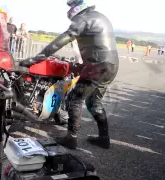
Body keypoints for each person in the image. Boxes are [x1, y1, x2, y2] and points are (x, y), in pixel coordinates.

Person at [19, 0, 119, 149]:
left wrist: (36, 58)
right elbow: (95, 44)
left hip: (97, 65)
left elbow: (61, 40)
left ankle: (71, 138)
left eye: (71, 6)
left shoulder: (83, 18)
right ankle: (104, 138)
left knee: (74, 98)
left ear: (75, 8)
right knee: (94, 102)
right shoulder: (98, 16)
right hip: (111, 65)